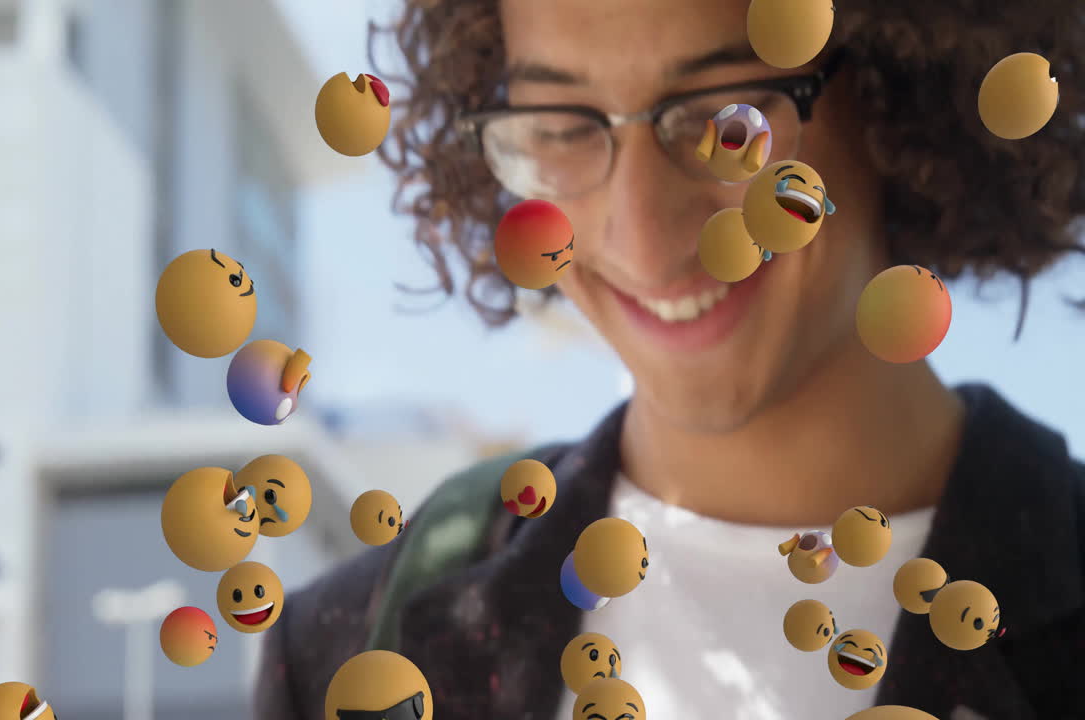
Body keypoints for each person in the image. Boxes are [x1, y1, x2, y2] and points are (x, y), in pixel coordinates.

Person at [255, 0, 1085, 718]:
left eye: (726, 117)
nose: (642, 238)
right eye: (558, 125)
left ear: (896, 96)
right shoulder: (348, 650)